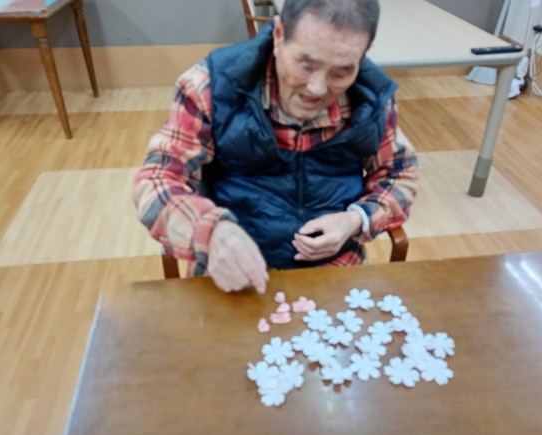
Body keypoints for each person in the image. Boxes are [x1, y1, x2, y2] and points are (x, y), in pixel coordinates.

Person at [133, 0, 418, 294]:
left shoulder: (372, 98)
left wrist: (357, 219)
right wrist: (211, 231)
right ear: (279, 34)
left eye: (341, 72)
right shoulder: (210, 86)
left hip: (336, 268)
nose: (318, 88)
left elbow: (400, 174)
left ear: (364, 52)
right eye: (306, 65)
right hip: (234, 270)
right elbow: (157, 180)